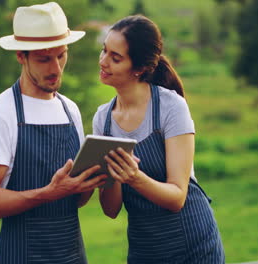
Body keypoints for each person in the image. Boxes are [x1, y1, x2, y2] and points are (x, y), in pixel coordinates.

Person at [0, 2, 107, 264]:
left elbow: (74, 201)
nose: (56, 68)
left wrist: (97, 177)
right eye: (44, 59)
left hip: (73, 256)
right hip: (20, 256)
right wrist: (48, 192)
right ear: (21, 56)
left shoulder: (71, 111)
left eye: (61, 55)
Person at [93, 15, 225, 263]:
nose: (103, 61)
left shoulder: (170, 106)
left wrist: (134, 177)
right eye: (104, 51)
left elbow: (177, 197)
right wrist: (111, 177)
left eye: (115, 57)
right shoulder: (103, 120)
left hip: (193, 243)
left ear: (139, 68)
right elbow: (110, 210)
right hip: (145, 248)